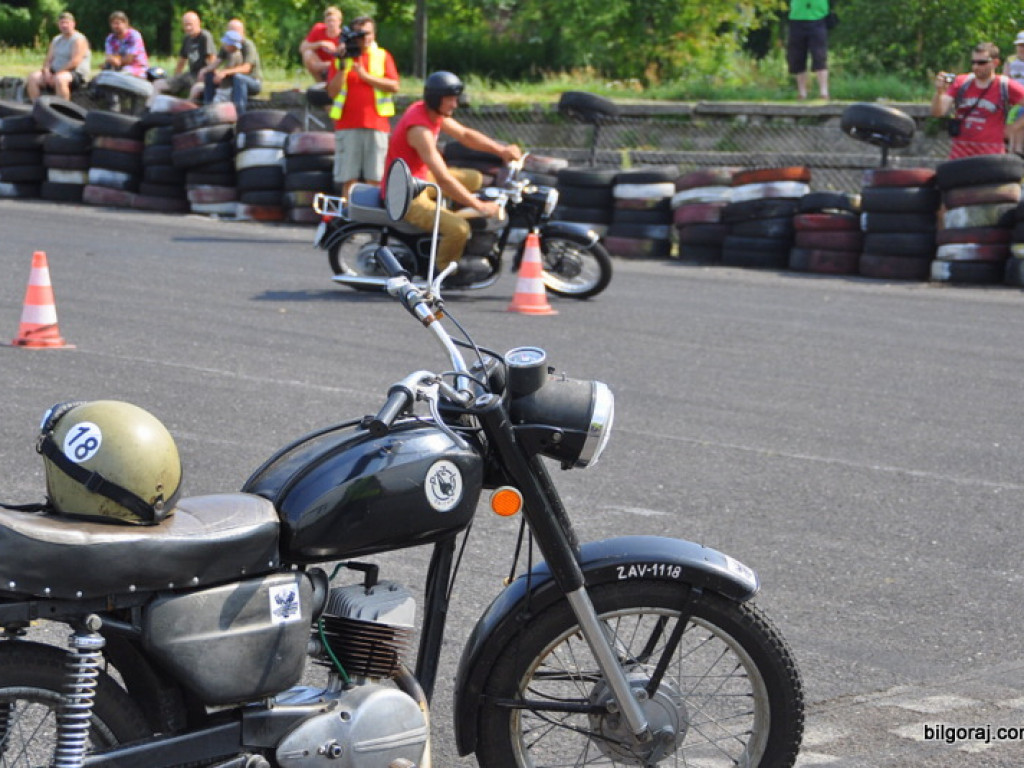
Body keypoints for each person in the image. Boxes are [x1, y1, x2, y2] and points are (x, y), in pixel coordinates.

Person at [382, 71, 522, 285]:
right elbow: (443, 179)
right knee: (458, 229)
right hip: (404, 194)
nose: (455, 104)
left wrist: (501, 150)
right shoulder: (419, 130)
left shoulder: (429, 112)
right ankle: (442, 272)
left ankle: (456, 211)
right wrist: (479, 206)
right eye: (451, 99)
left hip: (418, 178)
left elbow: (465, 135)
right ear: (436, 99)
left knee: (474, 178)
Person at [326, 15, 399, 198]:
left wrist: (365, 77)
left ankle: (372, 213)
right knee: (348, 179)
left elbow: (394, 86)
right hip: (347, 125)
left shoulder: (382, 56)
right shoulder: (342, 57)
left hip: (377, 125)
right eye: (360, 34)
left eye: (368, 33)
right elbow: (332, 92)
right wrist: (343, 67)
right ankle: (348, 213)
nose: (364, 37)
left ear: (374, 34)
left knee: (375, 178)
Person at [932, 42, 1024, 159]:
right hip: (960, 155)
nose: (976, 67)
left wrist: (1013, 127)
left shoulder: (1004, 85)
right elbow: (938, 112)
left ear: (995, 63)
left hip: (991, 156)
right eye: (973, 62)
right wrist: (939, 93)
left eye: (981, 63)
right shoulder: (962, 82)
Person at [197, 21, 262, 115]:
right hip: (233, 80)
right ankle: (207, 108)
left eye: (236, 31)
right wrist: (205, 70)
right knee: (210, 75)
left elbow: (246, 68)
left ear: (242, 32)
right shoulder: (227, 45)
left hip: (252, 81)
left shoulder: (247, 45)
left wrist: (225, 72)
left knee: (239, 78)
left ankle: (239, 113)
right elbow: (217, 62)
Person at [25, 11, 91, 102]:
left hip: (75, 72)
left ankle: (63, 107)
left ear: (73, 24)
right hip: (55, 71)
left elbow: (75, 61)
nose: (64, 25)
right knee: (33, 77)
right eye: (61, 23)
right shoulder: (56, 39)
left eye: (67, 23)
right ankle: (36, 104)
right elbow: (48, 59)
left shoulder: (79, 39)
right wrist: (47, 72)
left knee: (60, 79)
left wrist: (57, 74)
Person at [154, 11, 216, 97]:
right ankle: (152, 105)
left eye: (190, 25)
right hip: (190, 75)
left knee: (194, 88)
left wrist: (208, 76)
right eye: (185, 25)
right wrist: (175, 77)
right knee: (158, 84)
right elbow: (182, 61)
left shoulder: (205, 36)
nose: (188, 28)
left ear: (198, 23)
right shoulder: (187, 38)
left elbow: (212, 60)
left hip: (202, 76)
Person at [786, 0, 830, 100]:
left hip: (818, 18)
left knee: (820, 56)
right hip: (797, 18)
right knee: (798, 57)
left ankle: (824, 92)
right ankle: (802, 93)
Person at [300, 6, 343, 82]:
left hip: (335, 66)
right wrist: (321, 43)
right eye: (328, 21)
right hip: (320, 63)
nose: (331, 23)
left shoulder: (343, 36)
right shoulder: (318, 29)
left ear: (339, 22)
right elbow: (302, 48)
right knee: (307, 54)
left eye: (333, 21)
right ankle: (320, 83)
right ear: (325, 21)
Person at [1003, 31, 1024, 153]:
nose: (1022, 49)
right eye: (1020, 45)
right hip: (1013, 98)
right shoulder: (1010, 60)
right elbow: (1005, 80)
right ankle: (1013, 149)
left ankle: (1017, 149)